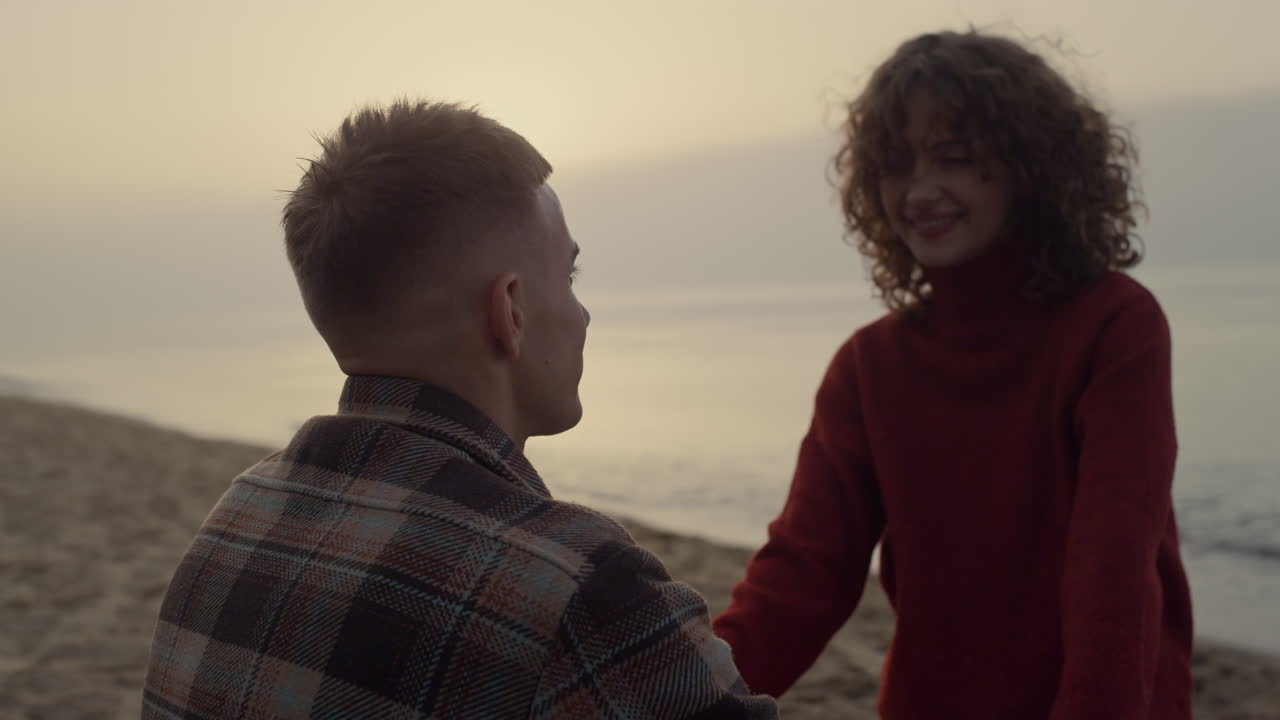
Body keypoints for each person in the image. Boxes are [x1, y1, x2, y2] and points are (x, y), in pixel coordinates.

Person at [142, 100, 777, 720]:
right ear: (513, 310)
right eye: (571, 278)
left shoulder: (234, 522)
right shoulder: (580, 589)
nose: (582, 316)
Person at [713, 30, 1192, 719]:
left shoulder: (1115, 325)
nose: (920, 191)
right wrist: (682, 696)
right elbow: (804, 573)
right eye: (896, 164)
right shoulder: (868, 366)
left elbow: (1113, 567)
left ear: (1032, 166)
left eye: (955, 159)